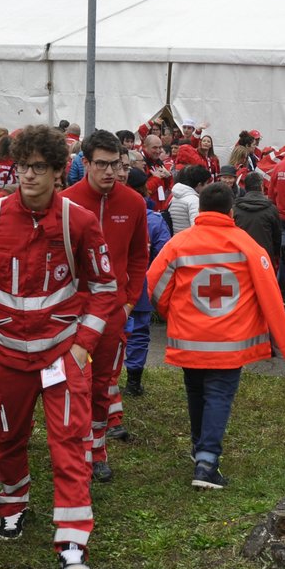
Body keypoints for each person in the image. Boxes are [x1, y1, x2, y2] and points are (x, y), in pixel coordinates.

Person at [0, 125, 116, 569]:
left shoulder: (79, 221)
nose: (27, 175)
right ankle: (13, 502)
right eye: (22, 165)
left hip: (61, 355)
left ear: (56, 171)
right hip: (5, 356)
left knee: (69, 443)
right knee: (7, 434)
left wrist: (83, 348)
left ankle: (72, 542)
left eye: (38, 167)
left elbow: (105, 289)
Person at [148, 182, 285, 488]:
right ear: (232, 211)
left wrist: (174, 314)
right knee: (218, 395)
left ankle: (198, 448)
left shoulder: (179, 243)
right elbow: (270, 294)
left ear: (200, 209)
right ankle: (206, 462)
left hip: (189, 338)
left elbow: (156, 288)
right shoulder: (247, 245)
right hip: (230, 341)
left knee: (196, 391)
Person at [62, 131, 150, 482]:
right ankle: (71, 448)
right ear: (85, 163)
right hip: (72, 311)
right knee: (70, 383)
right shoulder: (66, 202)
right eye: (102, 164)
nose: (110, 171)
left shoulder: (133, 203)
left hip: (113, 312)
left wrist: (128, 302)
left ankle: (97, 450)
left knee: (103, 384)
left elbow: (139, 257)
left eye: (116, 164)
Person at [123, 167, 172, 398]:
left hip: (109, 284)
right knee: (140, 332)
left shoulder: (108, 213)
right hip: (141, 283)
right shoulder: (154, 220)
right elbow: (165, 254)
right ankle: (133, 381)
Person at [233, 171, 283, 267]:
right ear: (261, 186)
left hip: (242, 258)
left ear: (246, 187)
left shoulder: (235, 209)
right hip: (265, 259)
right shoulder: (271, 209)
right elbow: (277, 237)